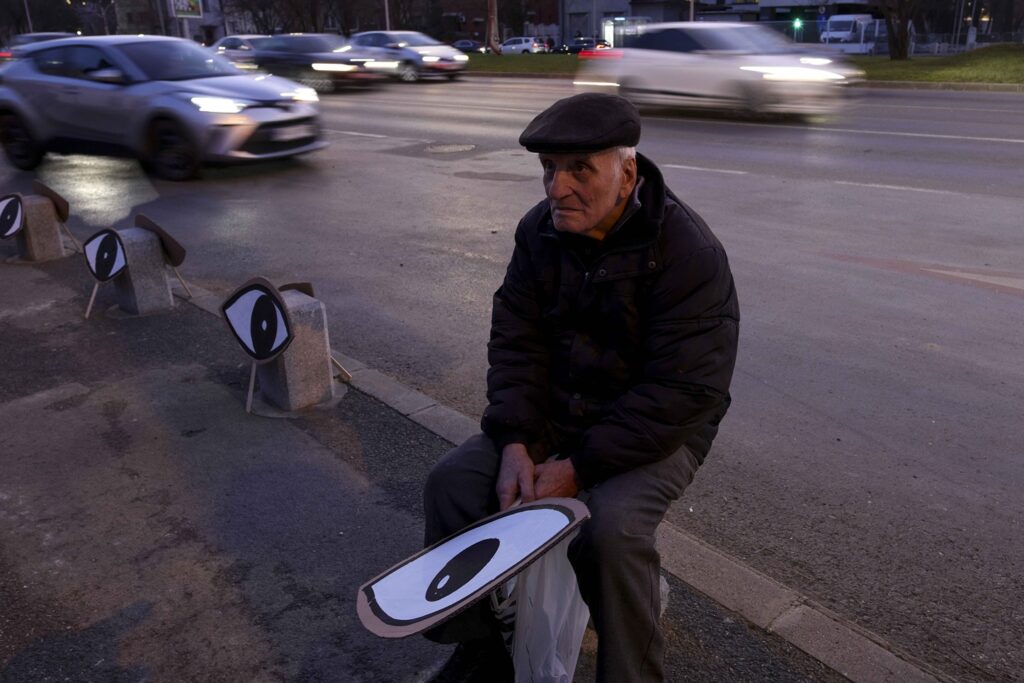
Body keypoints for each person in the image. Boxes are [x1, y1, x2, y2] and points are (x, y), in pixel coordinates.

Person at [423, 93, 740, 682]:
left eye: (579, 170)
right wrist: (516, 441)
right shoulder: (538, 231)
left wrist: (579, 467)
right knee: (454, 486)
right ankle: (481, 646)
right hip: (557, 414)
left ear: (627, 175)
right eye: (549, 168)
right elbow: (516, 342)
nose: (556, 188)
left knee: (609, 532)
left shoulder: (687, 252)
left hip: (659, 431)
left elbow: (684, 392)